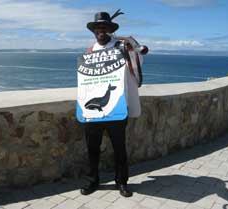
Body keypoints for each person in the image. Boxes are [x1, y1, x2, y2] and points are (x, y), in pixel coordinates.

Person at [79, 10, 144, 198]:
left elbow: (139, 55)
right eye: (98, 27)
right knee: (92, 148)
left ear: (110, 30)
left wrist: (129, 43)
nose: (101, 30)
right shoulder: (89, 52)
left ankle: (122, 182)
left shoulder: (122, 47)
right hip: (94, 112)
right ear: (93, 31)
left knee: (119, 148)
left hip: (117, 107)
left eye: (105, 27)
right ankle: (92, 181)